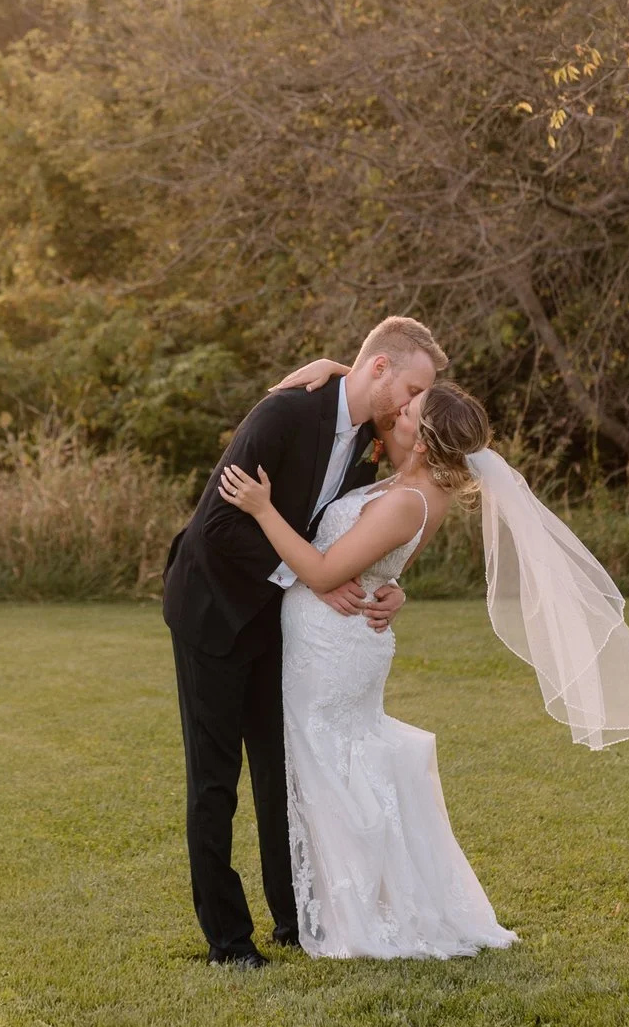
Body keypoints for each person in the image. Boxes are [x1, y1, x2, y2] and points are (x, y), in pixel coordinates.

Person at [220, 376, 629, 961]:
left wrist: (262, 509)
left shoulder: (409, 499)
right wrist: (391, 588)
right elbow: (382, 566)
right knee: (331, 764)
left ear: (423, 441)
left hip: (334, 648)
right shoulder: (414, 487)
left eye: (411, 409)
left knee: (333, 766)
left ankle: (363, 909)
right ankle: (334, 901)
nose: (400, 408)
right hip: (339, 639)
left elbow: (326, 573)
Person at [159, 316, 445, 969]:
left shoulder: (367, 436)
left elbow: (357, 535)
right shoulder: (285, 414)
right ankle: (228, 941)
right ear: (378, 368)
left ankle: (296, 920)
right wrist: (310, 579)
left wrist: (385, 584)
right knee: (214, 779)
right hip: (211, 607)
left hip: (276, 620)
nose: (410, 407)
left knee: (278, 771)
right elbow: (221, 525)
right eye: (411, 388)